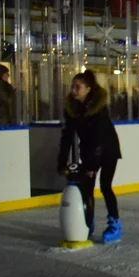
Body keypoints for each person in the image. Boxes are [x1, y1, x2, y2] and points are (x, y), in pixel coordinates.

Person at [57, 71, 123, 243]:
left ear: (88, 89)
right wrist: (61, 162)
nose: (73, 90)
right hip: (88, 151)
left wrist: (92, 166)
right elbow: (67, 136)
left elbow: (99, 138)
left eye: (77, 87)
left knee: (105, 186)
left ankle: (115, 224)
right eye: (72, 86)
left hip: (108, 150)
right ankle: (88, 221)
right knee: (86, 189)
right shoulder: (72, 108)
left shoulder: (99, 108)